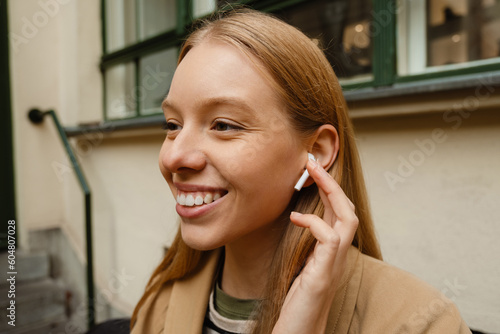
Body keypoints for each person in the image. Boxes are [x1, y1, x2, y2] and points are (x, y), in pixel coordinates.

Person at [130, 9, 471, 334]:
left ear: (316, 153)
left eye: (223, 125)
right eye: (172, 124)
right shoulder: (157, 307)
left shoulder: (421, 323)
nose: (174, 155)